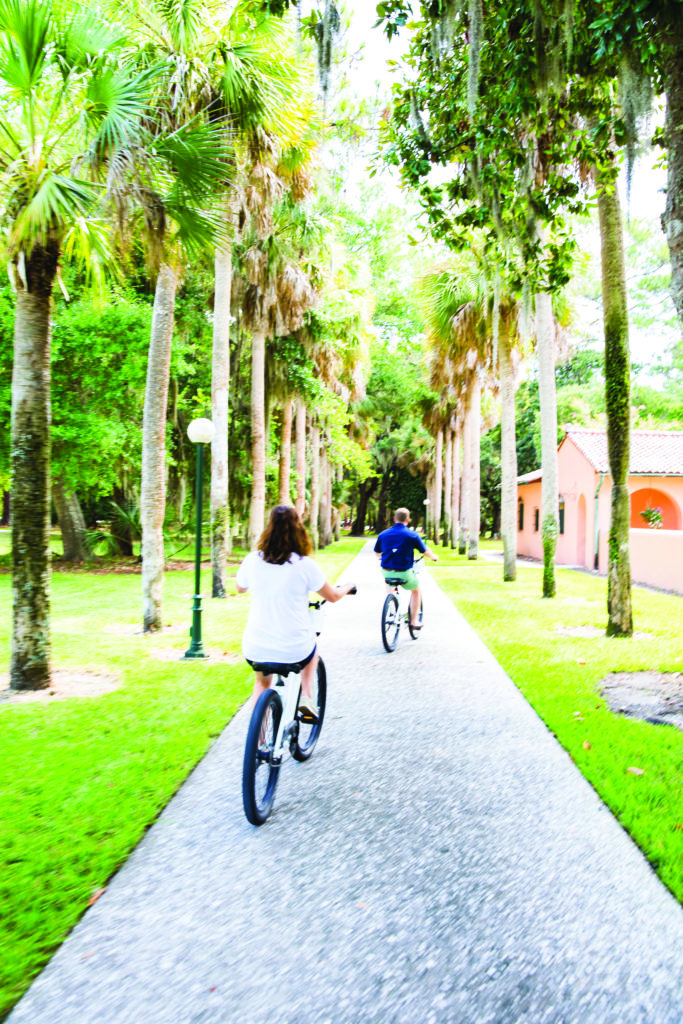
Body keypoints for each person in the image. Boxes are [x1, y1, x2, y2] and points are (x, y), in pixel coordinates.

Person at [235, 505, 356, 720]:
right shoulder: (304, 564)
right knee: (312, 648)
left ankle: (259, 742)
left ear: (268, 528)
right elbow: (332, 596)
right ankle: (307, 698)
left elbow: (240, 587)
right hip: (294, 647)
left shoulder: (252, 560)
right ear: (297, 528)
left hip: (256, 645)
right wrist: (347, 587)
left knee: (262, 683)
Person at [374, 507, 438, 627]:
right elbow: (425, 552)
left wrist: (381, 558)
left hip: (386, 571)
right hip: (404, 572)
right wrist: (434, 557)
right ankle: (413, 621)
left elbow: (377, 553)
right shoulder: (412, 535)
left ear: (394, 519)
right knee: (416, 591)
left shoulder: (383, 534)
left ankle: (391, 605)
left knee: (389, 583)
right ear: (407, 520)